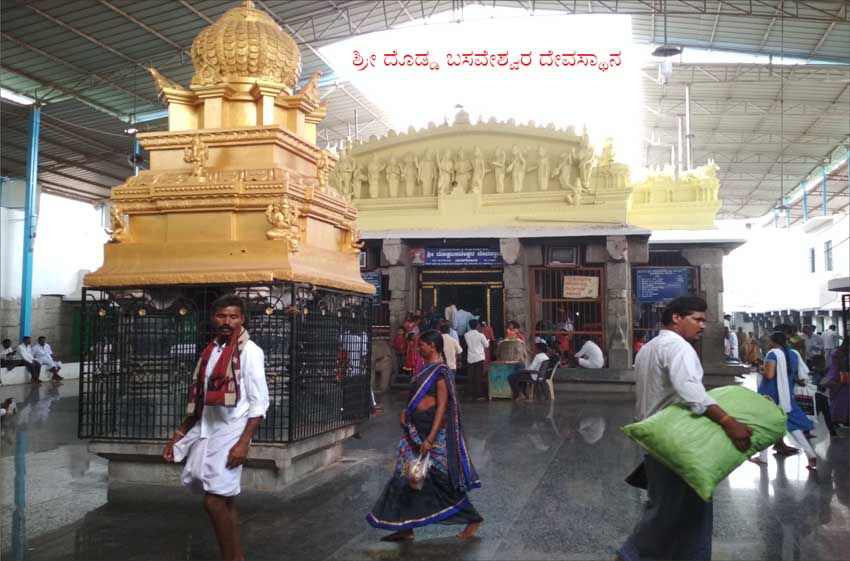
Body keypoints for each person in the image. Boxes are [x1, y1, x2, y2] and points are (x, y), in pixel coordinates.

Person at [618, 297, 753, 561]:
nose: (703, 326)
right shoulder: (679, 348)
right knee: (677, 511)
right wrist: (728, 422)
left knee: (677, 508)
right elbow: (691, 391)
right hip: (677, 442)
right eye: (697, 319)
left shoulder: (650, 347)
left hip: (656, 438)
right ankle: (630, 555)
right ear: (677, 318)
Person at [162, 295, 269, 561]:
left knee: (214, 501)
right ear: (214, 318)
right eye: (222, 316)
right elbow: (200, 399)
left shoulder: (250, 351)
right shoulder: (212, 350)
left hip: (232, 431)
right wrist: (179, 434)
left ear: (242, 319)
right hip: (207, 427)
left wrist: (243, 443)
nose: (227, 322)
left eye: (233, 317)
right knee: (224, 498)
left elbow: (259, 402)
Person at [367, 329, 483, 540]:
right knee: (403, 476)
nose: (418, 348)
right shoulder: (424, 370)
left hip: (433, 432)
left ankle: (472, 518)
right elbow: (415, 399)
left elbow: (442, 407)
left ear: (433, 346)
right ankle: (405, 526)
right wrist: (405, 411)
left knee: (437, 479)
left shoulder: (441, 372)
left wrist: (431, 438)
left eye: (422, 345)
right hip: (414, 430)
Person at [749, 331, 817, 470]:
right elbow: (797, 373)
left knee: (766, 424)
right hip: (786, 394)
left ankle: (763, 457)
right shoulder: (794, 354)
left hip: (770, 394)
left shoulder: (773, 354)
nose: (768, 343)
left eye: (770, 341)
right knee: (793, 426)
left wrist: (760, 368)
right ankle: (810, 453)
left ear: (774, 342)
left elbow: (769, 375)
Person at [822, 338, 849, 428]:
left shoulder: (838, 351)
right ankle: (837, 418)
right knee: (841, 399)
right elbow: (843, 367)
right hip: (841, 377)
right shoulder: (840, 353)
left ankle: (840, 419)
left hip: (837, 376)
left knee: (839, 398)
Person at [464, 319, 490, 401]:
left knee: (471, 376)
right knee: (478, 376)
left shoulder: (466, 335)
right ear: (477, 325)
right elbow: (486, 345)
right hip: (479, 357)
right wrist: (488, 340)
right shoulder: (481, 335)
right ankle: (478, 394)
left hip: (471, 357)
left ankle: (470, 394)